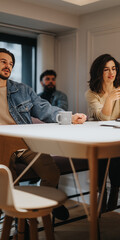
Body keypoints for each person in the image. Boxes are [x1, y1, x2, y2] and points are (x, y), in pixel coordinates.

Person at [0, 48, 86, 221]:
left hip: (25, 142)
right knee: (8, 177)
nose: (8, 66)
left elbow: (44, 109)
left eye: (11, 63)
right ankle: (19, 219)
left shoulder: (23, 90)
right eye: (3, 61)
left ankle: (47, 204)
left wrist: (70, 117)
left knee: (51, 173)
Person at [85, 53, 120, 212]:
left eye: (113, 69)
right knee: (102, 154)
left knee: (116, 154)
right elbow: (103, 118)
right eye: (106, 69)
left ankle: (114, 189)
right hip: (97, 136)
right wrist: (110, 99)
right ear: (99, 72)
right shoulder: (91, 93)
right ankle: (102, 191)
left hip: (115, 135)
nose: (111, 73)